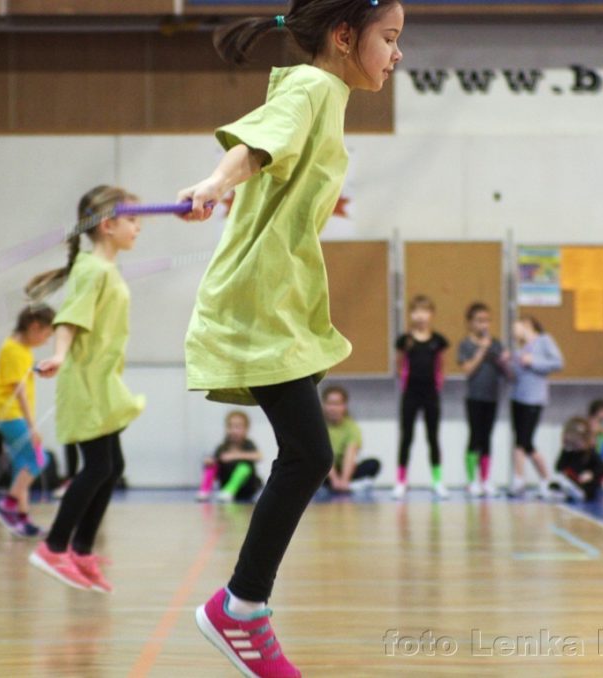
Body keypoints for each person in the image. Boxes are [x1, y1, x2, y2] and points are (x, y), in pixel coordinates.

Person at [176, 2, 404, 675]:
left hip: (281, 300)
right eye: (388, 39)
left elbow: (286, 160)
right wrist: (217, 182)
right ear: (344, 36)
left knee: (309, 453)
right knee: (309, 453)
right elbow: (255, 147)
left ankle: (242, 606)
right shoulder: (311, 87)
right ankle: (239, 609)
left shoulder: (326, 97)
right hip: (260, 302)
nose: (395, 55)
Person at [27, 185, 146, 593]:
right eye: (132, 219)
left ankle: (80, 549)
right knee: (97, 466)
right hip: (85, 382)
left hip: (103, 380)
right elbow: (69, 319)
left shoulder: (105, 269)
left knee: (112, 467)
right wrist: (59, 355)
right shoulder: (91, 269)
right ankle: (54, 546)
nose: (139, 227)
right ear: (109, 225)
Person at [0, 305, 54, 537]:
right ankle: (8, 504)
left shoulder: (21, 348)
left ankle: (23, 519)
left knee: (22, 465)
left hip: (8, 415)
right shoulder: (14, 350)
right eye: (46, 335)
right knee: (38, 458)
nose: (46, 341)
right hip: (11, 415)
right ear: (34, 327)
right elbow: (20, 392)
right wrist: (33, 426)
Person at [393, 294, 449, 500]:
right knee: (406, 437)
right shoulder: (405, 341)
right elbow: (399, 364)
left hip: (431, 394)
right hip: (410, 394)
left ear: (431, 315)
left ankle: (437, 481)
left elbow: (442, 365)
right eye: (416, 311)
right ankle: (401, 481)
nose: (420, 316)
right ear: (410, 314)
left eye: (425, 311)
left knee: (433, 437)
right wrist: (404, 379)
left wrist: (437, 384)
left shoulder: (438, 341)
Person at [457, 302, 509, 498]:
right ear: (470, 323)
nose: (484, 325)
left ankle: (485, 479)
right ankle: (471, 481)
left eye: (487, 320)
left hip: (492, 396)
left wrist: (504, 360)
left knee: (487, 437)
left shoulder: (495, 343)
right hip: (474, 397)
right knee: (475, 436)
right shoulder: (466, 344)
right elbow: (468, 370)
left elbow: (507, 373)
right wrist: (481, 351)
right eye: (479, 321)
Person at [508, 316, 563, 499]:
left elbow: (557, 363)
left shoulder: (544, 341)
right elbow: (515, 373)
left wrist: (534, 361)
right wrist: (509, 362)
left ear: (528, 326)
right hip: (518, 397)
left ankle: (519, 479)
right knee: (525, 442)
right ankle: (545, 479)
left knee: (523, 441)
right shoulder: (520, 347)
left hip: (534, 398)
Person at [322, 384, 380, 495]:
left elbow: (350, 453)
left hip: (344, 468)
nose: (333, 408)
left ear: (344, 406)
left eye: (337, 404)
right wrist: (334, 480)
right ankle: (332, 485)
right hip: (325, 470)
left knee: (373, 464)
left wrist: (344, 480)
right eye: (330, 404)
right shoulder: (318, 426)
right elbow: (321, 454)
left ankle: (344, 484)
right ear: (324, 405)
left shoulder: (351, 427)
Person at [197, 411, 264, 503]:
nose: (234, 430)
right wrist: (210, 461)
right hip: (225, 484)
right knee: (211, 466)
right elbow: (214, 459)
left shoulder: (248, 444)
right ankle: (204, 491)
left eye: (238, 427)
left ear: (246, 429)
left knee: (244, 467)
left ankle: (230, 491)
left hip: (246, 487)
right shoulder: (223, 446)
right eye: (230, 426)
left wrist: (236, 455)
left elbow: (259, 456)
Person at [551, 416, 603, 502]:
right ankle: (567, 492)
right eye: (573, 443)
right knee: (555, 484)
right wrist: (565, 451)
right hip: (572, 482)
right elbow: (558, 467)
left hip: (585, 484)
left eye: (579, 442)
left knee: (590, 487)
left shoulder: (590, 452)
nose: (576, 446)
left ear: (586, 440)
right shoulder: (569, 451)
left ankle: (579, 494)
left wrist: (591, 474)